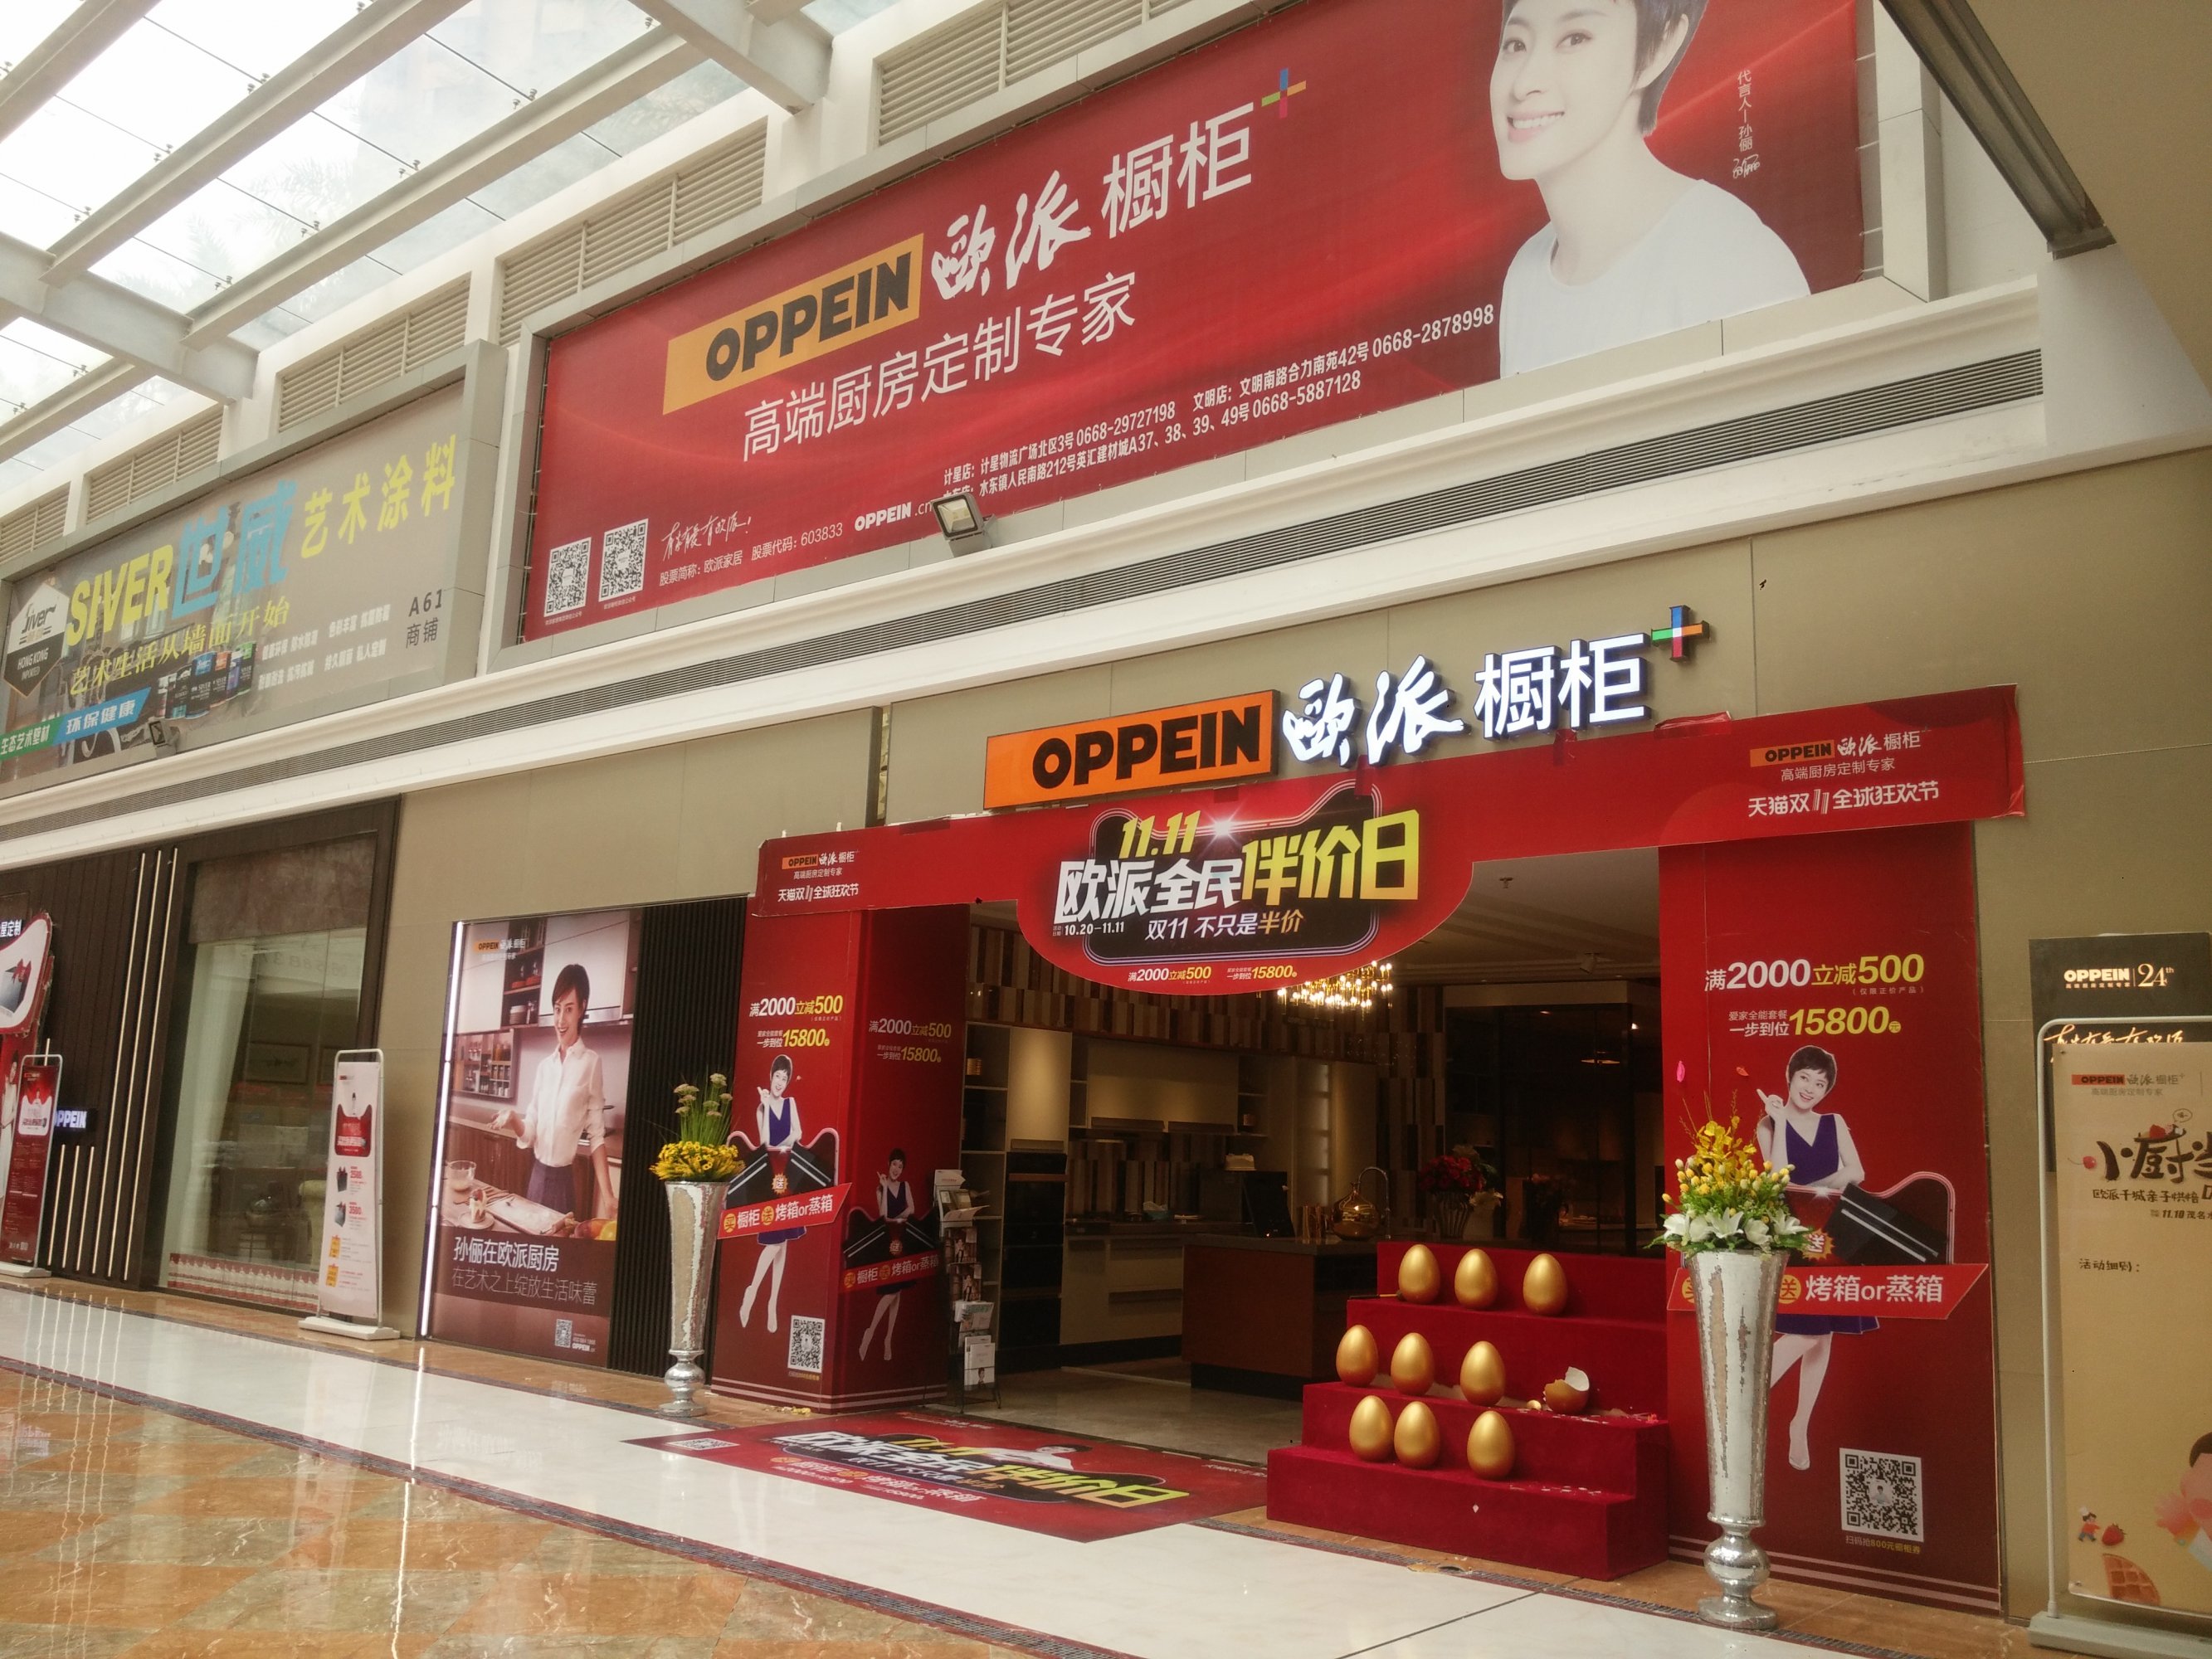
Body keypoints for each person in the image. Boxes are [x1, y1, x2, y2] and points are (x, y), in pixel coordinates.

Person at [1490, 0, 1809, 377]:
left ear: (1660, 47)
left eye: (1575, 38)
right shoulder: (1525, 278)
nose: (1524, 84)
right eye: (1515, 44)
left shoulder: (1732, 256)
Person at [1755, 1044, 1868, 1472]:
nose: (1811, 1088)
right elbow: (1777, 1178)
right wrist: (1782, 1121)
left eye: (1820, 1084)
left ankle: (1800, 1423)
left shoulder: (1834, 1122)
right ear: (1790, 1077)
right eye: (1805, 1078)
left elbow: (1856, 1171)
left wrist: (1817, 1187)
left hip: (1832, 1233)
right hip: (1792, 1233)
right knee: (1807, 1332)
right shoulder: (1768, 1124)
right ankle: (1751, 1395)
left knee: (1825, 1334)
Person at [492, 964, 612, 1223]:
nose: (560, 1020)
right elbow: (530, 1133)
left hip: (563, 1183)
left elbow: (596, 1137)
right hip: (535, 1178)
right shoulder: (544, 1068)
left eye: (569, 1009)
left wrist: (609, 1196)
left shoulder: (591, 1063)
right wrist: (513, 1119)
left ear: (582, 1008)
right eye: (557, 1009)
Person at [733, 1053, 802, 1333]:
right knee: (775, 1243)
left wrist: (784, 1142)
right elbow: (764, 1142)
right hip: (770, 1178)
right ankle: (752, 1291)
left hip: (788, 1178)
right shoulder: (761, 1108)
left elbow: (798, 1133)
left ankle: (772, 1303)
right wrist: (763, 1107)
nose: (780, 1082)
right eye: (777, 1076)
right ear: (771, 1077)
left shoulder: (791, 1103)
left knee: (783, 1244)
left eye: (785, 1078)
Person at [859, 1150, 925, 1362]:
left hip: (902, 1239)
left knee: (898, 1292)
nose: (897, 1169)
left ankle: (887, 1338)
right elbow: (883, 1216)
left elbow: (912, 1209)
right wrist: (886, 1188)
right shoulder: (880, 1189)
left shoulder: (906, 1186)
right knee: (892, 1291)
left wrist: (898, 1216)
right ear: (888, 1164)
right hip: (888, 1242)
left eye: (900, 1166)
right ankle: (871, 1331)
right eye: (894, 1164)